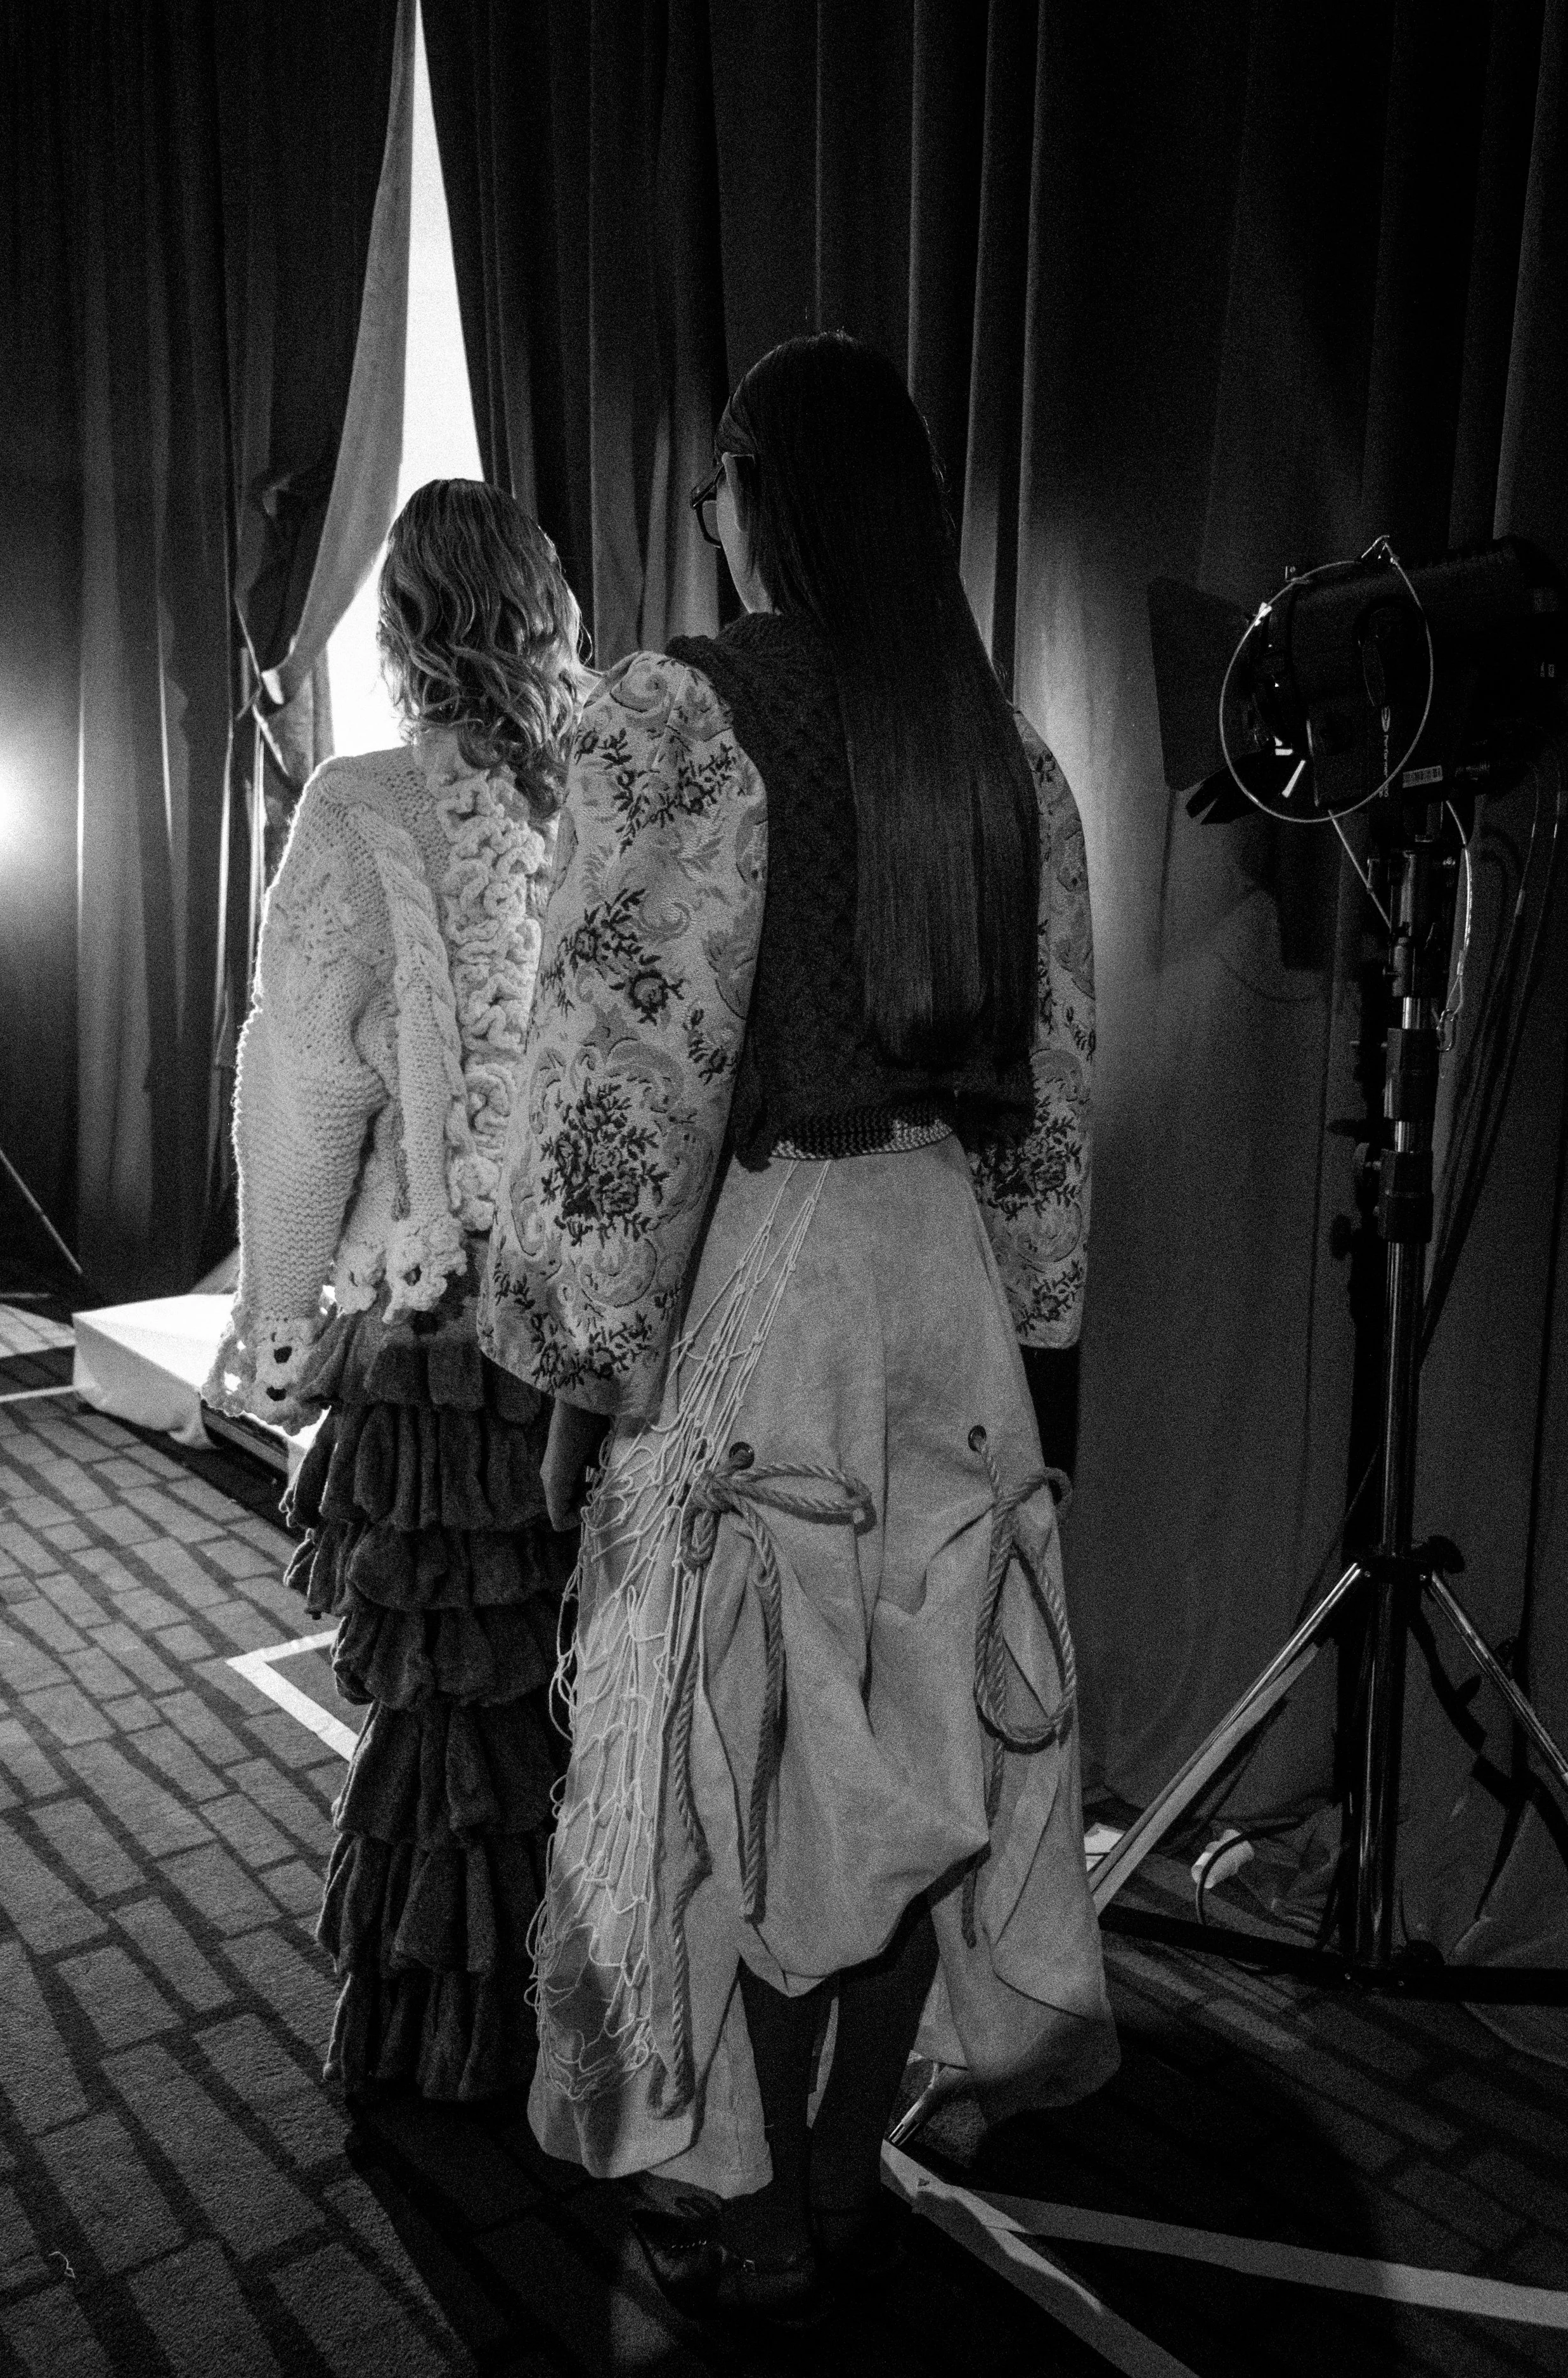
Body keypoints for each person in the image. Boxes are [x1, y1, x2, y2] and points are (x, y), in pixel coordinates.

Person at [480, 335, 1116, 2321]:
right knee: (920, 1722)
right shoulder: (1002, 754)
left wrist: (586, 1370)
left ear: (753, 491)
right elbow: (1051, 1112)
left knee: (746, 1754)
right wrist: (1039, 1361)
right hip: (944, 1292)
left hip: (770, 1274)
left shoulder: (681, 716)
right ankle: (841, 2166)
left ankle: (751, 2193)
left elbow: (622, 1077)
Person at [205, 478, 592, 2102]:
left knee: (441, 1713)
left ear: (399, 629)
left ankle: (451, 2046)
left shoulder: (357, 811)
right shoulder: (607, 802)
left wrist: (282, 1316)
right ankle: (576, 2026)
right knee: (570, 1684)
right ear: (541, 614)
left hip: (433, 1328)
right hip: (585, 1321)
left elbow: (300, 1092)